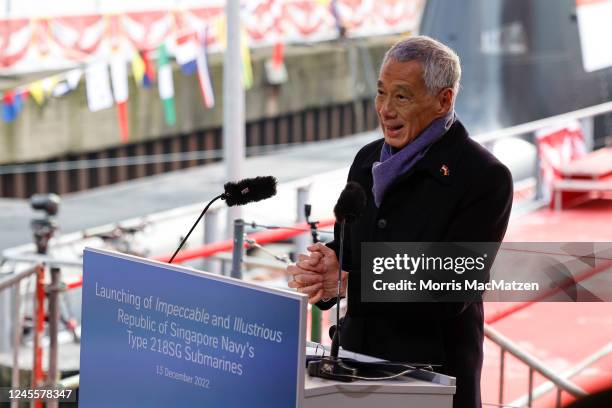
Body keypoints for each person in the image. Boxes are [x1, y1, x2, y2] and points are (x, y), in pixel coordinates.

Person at [287, 35, 513, 408]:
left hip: (430, 380)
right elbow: (351, 245)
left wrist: (349, 284)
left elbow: (451, 287)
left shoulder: (484, 176)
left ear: (444, 100)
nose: (385, 109)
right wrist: (328, 263)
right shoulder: (366, 160)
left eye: (402, 96)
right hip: (355, 366)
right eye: (380, 93)